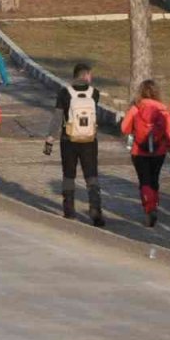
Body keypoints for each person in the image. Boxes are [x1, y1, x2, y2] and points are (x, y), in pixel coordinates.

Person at [44, 63, 104, 226]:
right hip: (89, 141)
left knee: (69, 174)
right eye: (90, 75)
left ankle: (69, 210)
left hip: (68, 140)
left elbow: (57, 117)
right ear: (85, 76)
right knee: (91, 175)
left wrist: (50, 138)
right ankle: (95, 209)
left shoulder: (64, 93)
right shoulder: (95, 94)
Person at [121, 79, 170, 227]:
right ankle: (155, 205)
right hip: (159, 151)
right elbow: (169, 134)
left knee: (144, 181)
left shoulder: (135, 108)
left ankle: (149, 208)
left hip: (139, 151)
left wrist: (135, 129)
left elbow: (124, 128)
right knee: (154, 179)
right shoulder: (163, 110)